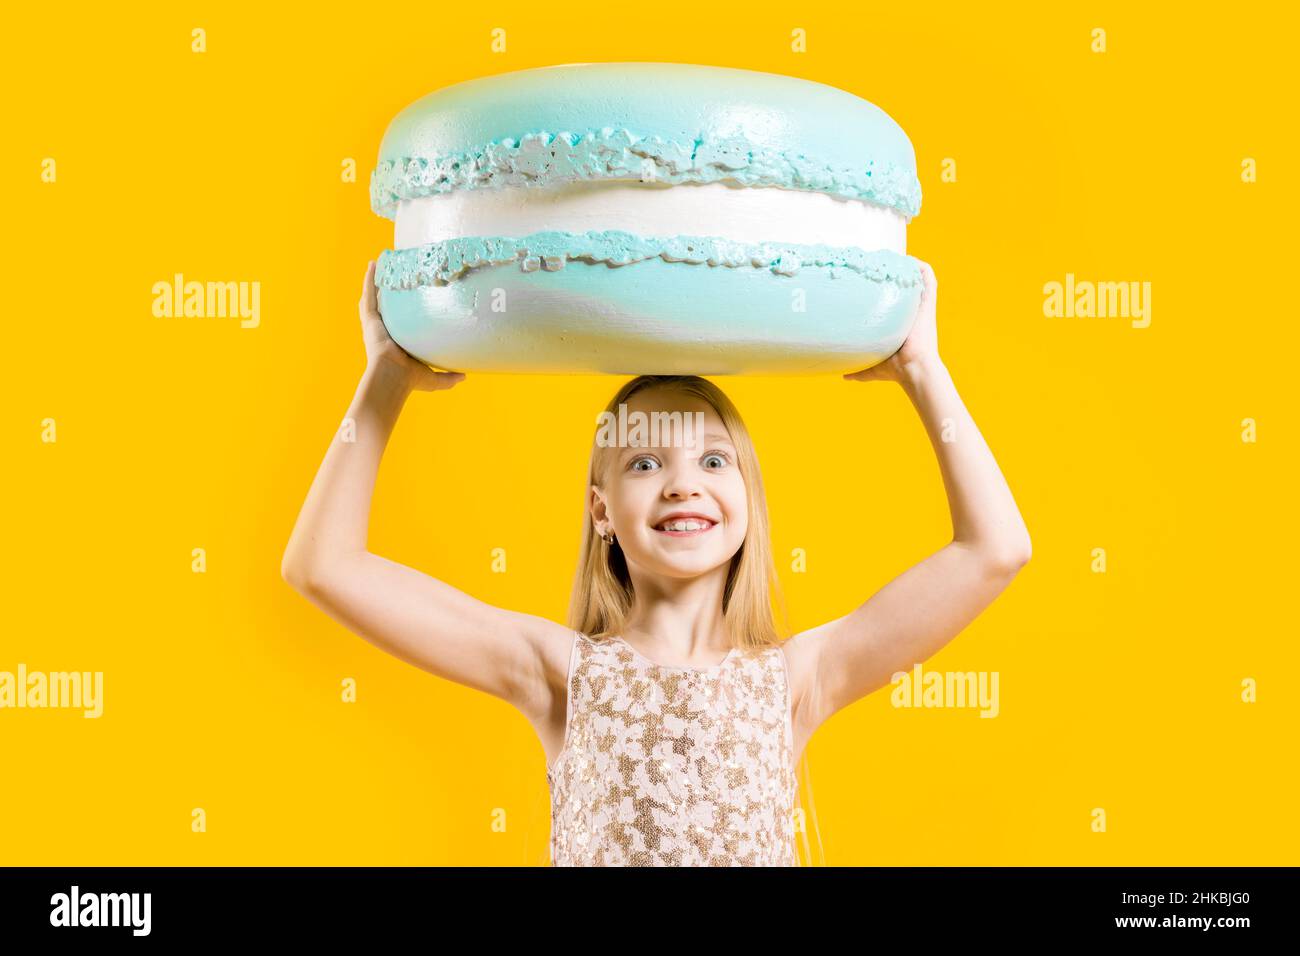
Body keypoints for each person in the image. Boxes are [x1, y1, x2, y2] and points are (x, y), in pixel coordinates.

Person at [281, 258, 1031, 866]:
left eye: (713, 459)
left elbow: (995, 550)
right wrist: (385, 377)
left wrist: (924, 372)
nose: (683, 483)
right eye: (644, 461)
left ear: (748, 499)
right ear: (601, 510)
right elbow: (324, 565)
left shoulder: (798, 679)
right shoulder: (557, 672)